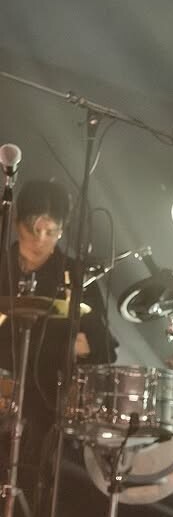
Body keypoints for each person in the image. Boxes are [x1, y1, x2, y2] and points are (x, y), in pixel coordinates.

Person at [1, 178, 116, 488]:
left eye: (50, 232)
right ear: (16, 222)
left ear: (61, 231)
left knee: (35, 475)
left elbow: (105, 347)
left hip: (47, 405)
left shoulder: (76, 278)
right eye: (33, 229)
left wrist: (86, 348)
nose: (40, 240)